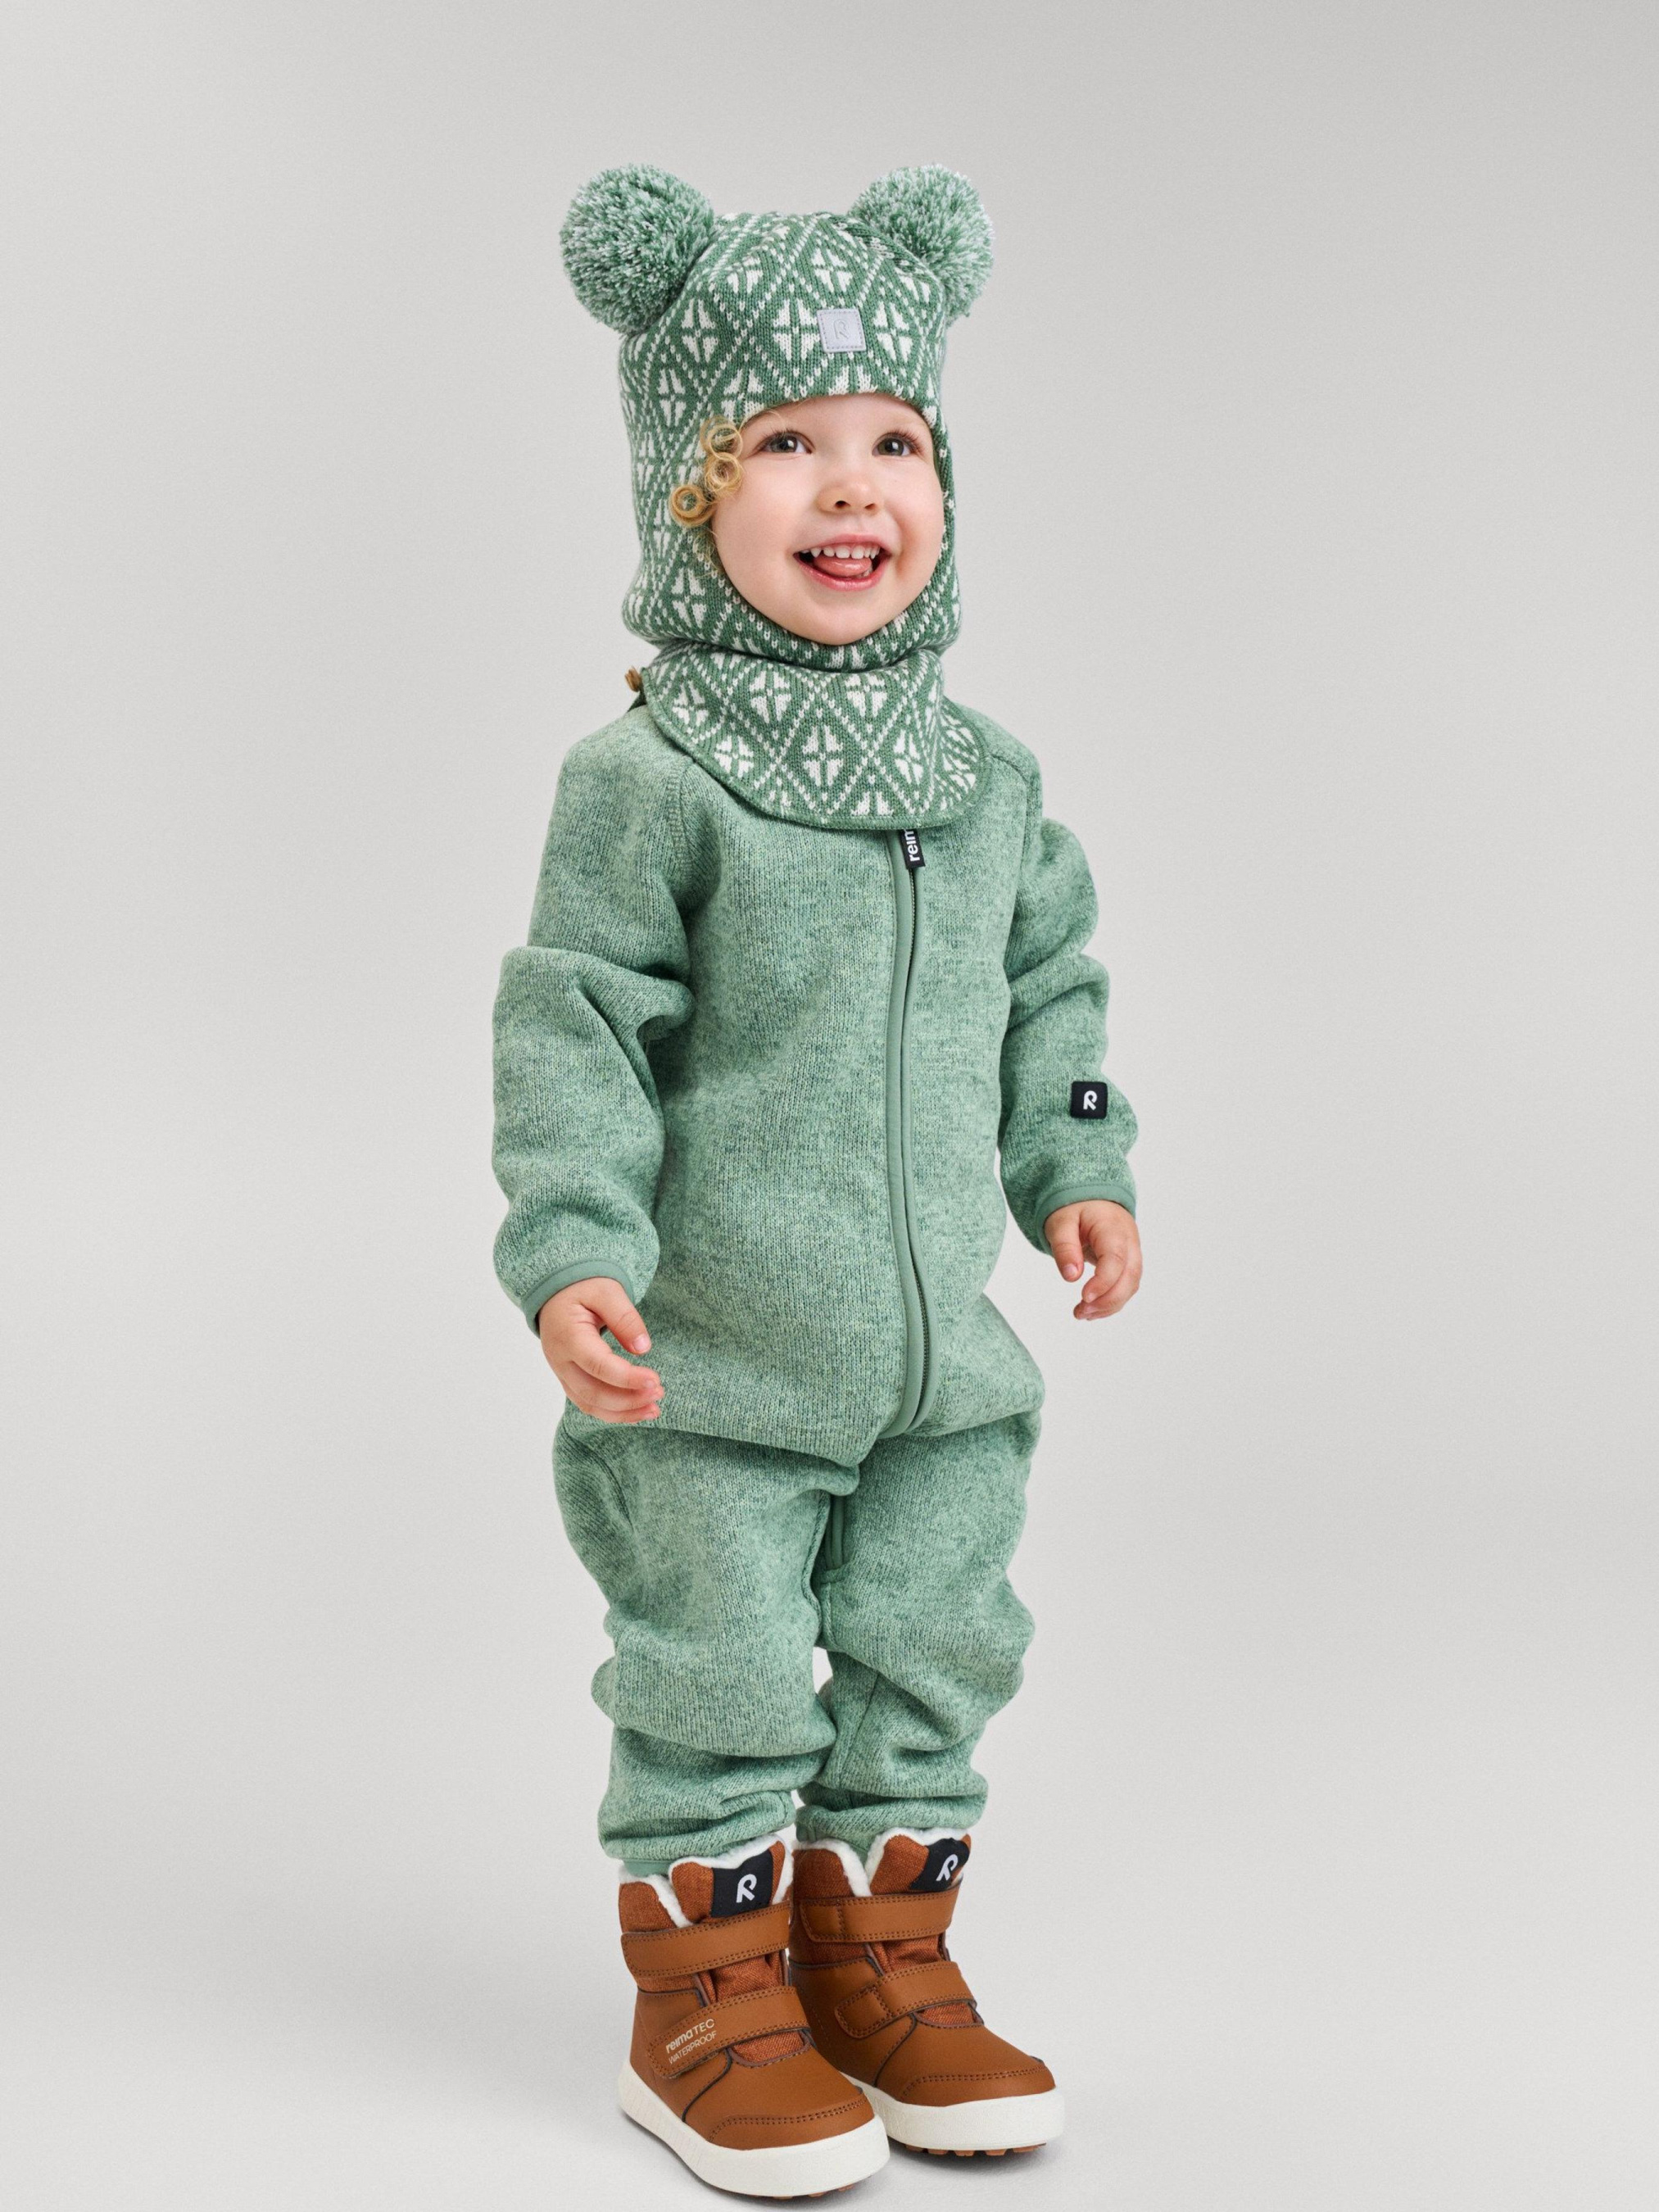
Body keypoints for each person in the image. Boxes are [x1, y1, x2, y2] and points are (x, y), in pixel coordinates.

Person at [492, 163, 1143, 2198]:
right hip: (712, 1369)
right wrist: (570, 1250)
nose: (848, 484)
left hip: (944, 1372)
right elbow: (575, 1026)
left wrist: (1076, 1160)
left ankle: (881, 1964)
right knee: (708, 1666)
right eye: (780, 443)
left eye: (892, 442)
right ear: (688, 495)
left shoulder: (985, 777)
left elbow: (1054, 985)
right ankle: (702, 2003)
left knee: (935, 1649)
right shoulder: (648, 779)